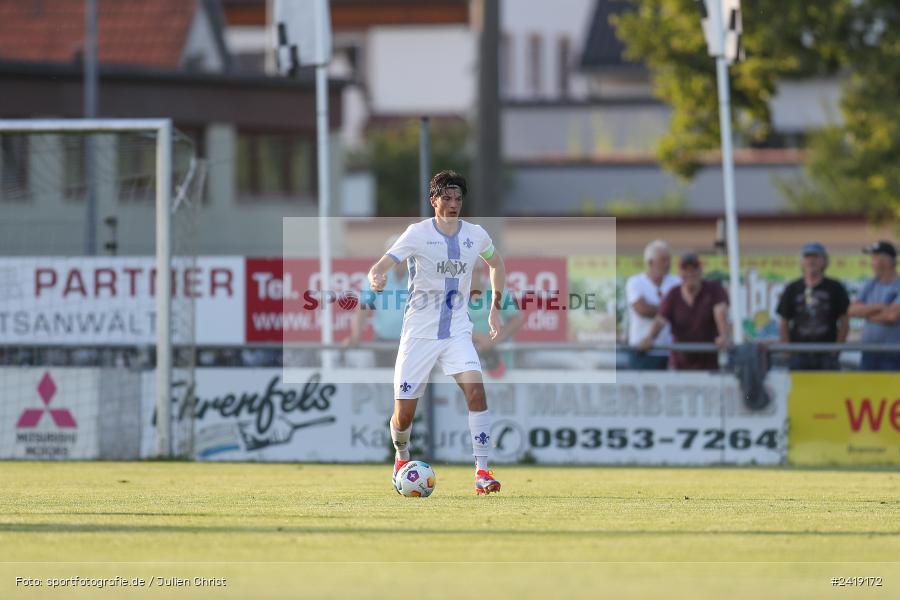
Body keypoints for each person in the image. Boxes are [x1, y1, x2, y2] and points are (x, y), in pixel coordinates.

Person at [366, 170, 505, 495]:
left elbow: (497, 263)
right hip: (419, 335)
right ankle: (402, 458)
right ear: (434, 201)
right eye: (447, 198)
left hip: (457, 332)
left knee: (477, 393)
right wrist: (377, 277)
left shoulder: (476, 235)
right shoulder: (417, 234)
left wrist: (495, 307)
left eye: (458, 198)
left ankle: (482, 472)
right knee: (403, 416)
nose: (454, 204)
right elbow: (383, 264)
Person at [638, 253, 729, 370]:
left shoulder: (714, 289)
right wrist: (649, 338)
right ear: (679, 274)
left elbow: (720, 311)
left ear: (701, 271)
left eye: (694, 269)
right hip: (679, 364)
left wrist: (724, 336)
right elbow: (660, 319)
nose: (690, 274)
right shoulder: (673, 294)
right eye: (685, 270)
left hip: (709, 364)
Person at [776, 242, 849, 370]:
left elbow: (844, 321)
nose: (811, 261)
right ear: (802, 262)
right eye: (807, 257)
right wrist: (788, 351)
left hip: (827, 354)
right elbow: (784, 322)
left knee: (829, 389)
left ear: (824, 261)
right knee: (798, 389)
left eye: (815, 257)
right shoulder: (792, 288)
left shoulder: (835, 287)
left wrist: (836, 350)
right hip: (798, 354)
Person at [345, 235, 409, 367]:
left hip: (411, 342)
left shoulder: (417, 276)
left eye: (402, 255)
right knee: (385, 384)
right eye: (394, 256)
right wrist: (356, 335)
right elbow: (363, 307)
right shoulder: (377, 276)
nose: (398, 260)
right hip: (383, 342)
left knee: (413, 384)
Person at [625, 240, 680, 369]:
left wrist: (660, 309)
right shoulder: (635, 282)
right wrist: (669, 309)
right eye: (663, 260)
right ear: (650, 262)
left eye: (669, 260)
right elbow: (642, 310)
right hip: (642, 350)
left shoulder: (676, 282)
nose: (668, 264)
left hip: (670, 351)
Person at [848, 241, 900, 371]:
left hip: (893, 353)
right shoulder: (870, 284)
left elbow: (892, 317)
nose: (872, 262)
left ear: (886, 261)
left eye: (875, 257)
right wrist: (880, 306)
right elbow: (851, 310)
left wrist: (865, 314)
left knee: (891, 391)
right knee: (867, 390)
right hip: (869, 352)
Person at [468, 263, 525, 377]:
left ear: (480, 271)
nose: (471, 276)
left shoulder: (497, 290)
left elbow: (517, 319)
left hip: (501, 364)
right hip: (468, 366)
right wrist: (476, 336)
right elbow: (447, 325)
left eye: (474, 271)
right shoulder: (454, 296)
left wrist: (495, 340)